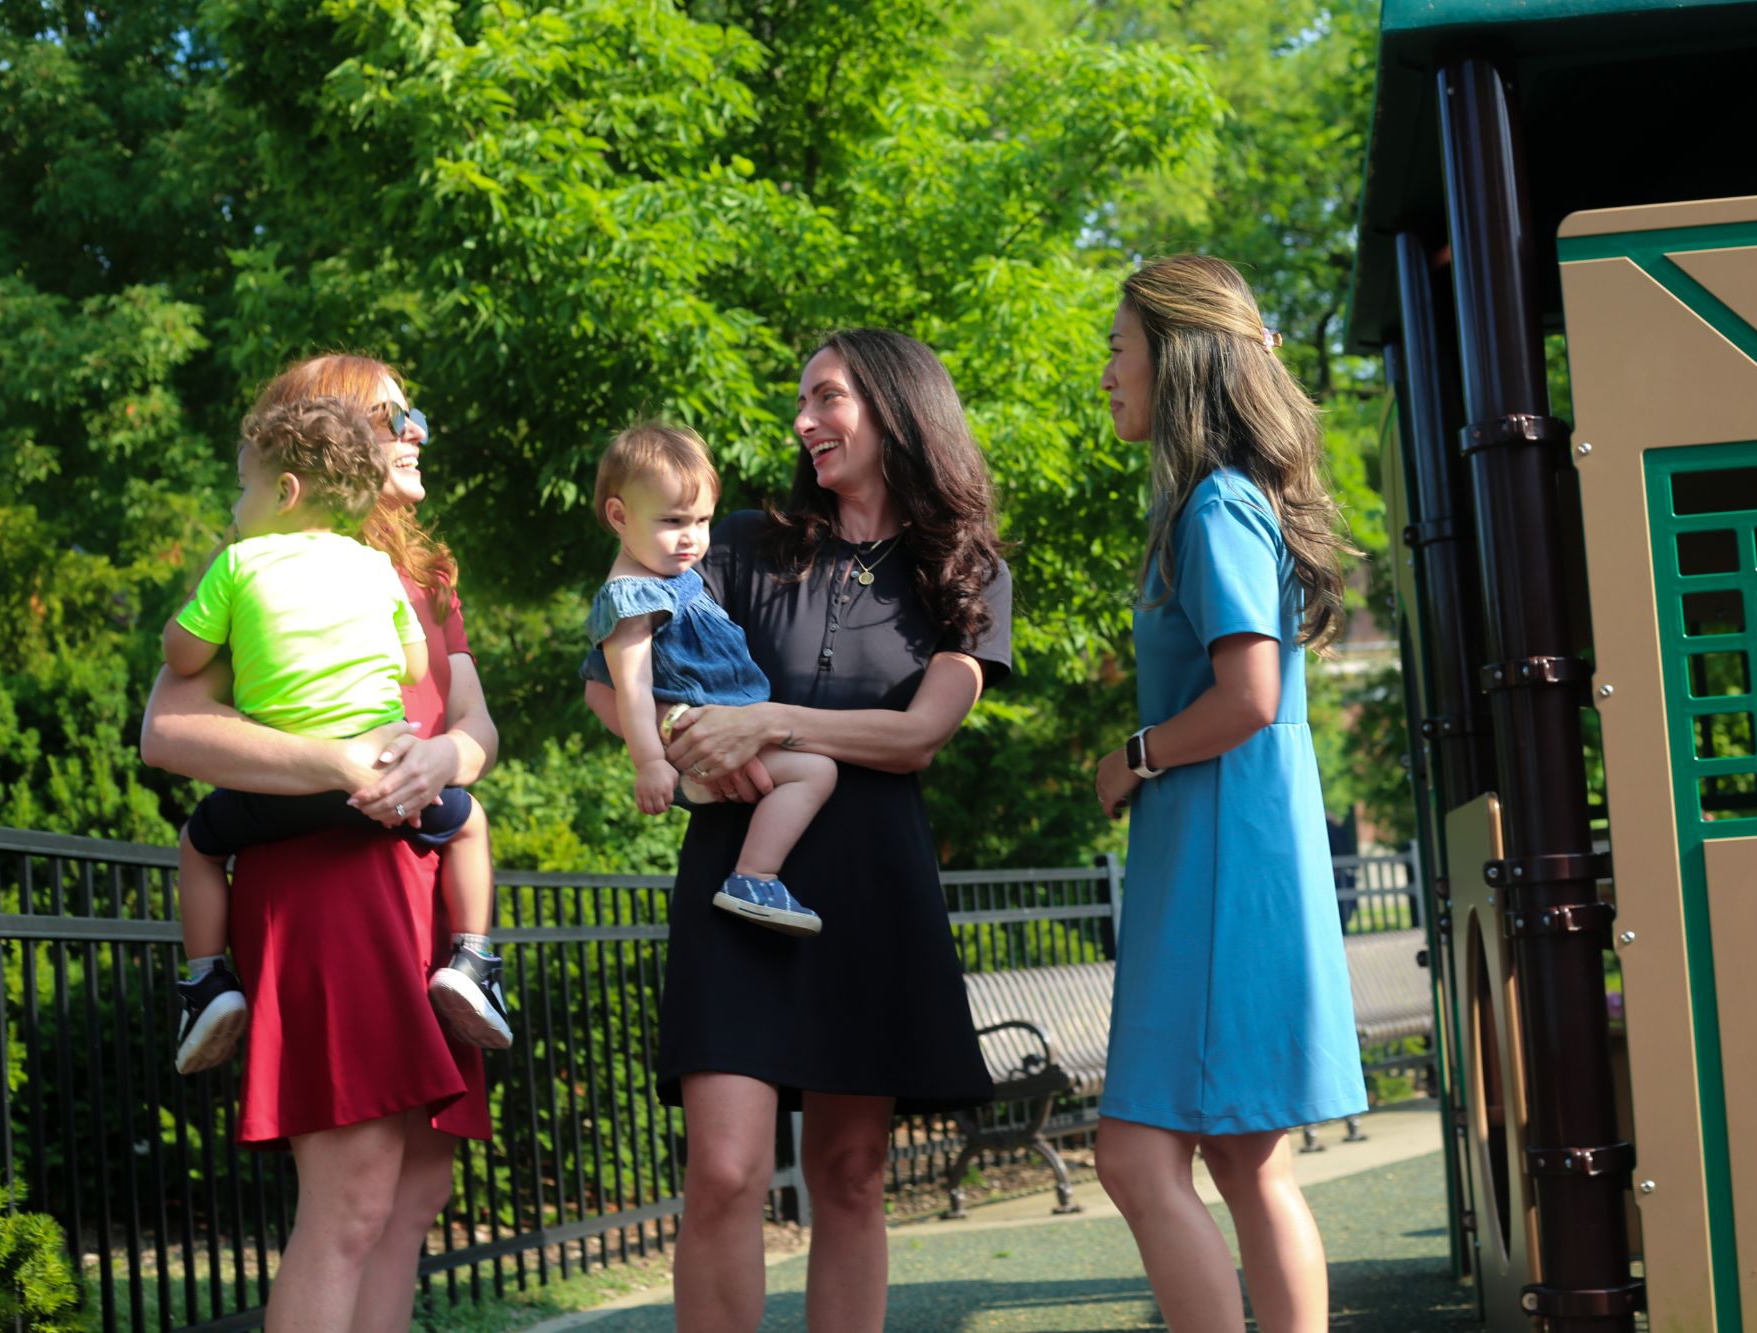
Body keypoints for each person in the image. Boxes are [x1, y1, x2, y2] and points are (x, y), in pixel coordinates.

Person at [583, 329, 1010, 1332]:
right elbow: (612, 678)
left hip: (871, 892)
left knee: (852, 1171)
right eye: (802, 400)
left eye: (827, 397)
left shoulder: (966, 569)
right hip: (732, 882)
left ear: (896, 407)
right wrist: (689, 743)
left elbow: (917, 736)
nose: (803, 420)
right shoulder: (734, 541)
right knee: (725, 1168)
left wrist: (771, 722)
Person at [142, 353, 497, 1333]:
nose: (416, 431)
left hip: (423, 887)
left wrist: (447, 757)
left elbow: (473, 722)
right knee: (351, 1197)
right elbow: (165, 730)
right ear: (331, 438)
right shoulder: (260, 568)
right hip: (327, 888)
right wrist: (339, 762)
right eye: (395, 416)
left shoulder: (423, 576)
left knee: (414, 1189)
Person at [1092, 255, 1367, 1333]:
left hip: (1216, 853)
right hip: (1242, 843)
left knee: (1134, 1159)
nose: (1107, 373)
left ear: (1175, 359)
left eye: (1118, 348)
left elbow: (1247, 696)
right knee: (1251, 1158)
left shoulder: (1212, 504)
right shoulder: (1233, 499)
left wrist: (1133, 755)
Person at [166, 397, 508, 1075]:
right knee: (470, 823)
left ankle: (206, 981)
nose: (236, 505)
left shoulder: (238, 564)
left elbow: (180, 656)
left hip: (280, 798)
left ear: (285, 492)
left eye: (243, 488)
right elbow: (415, 667)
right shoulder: (376, 569)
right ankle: (474, 961)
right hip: (389, 780)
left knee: (199, 846)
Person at [586, 422, 838, 935]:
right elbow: (630, 687)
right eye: (673, 520)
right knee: (817, 771)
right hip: (704, 736)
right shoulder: (632, 597)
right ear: (619, 516)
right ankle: (753, 877)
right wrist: (650, 763)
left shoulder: (670, 577)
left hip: (727, 728)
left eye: (702, 520)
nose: (693, 537)